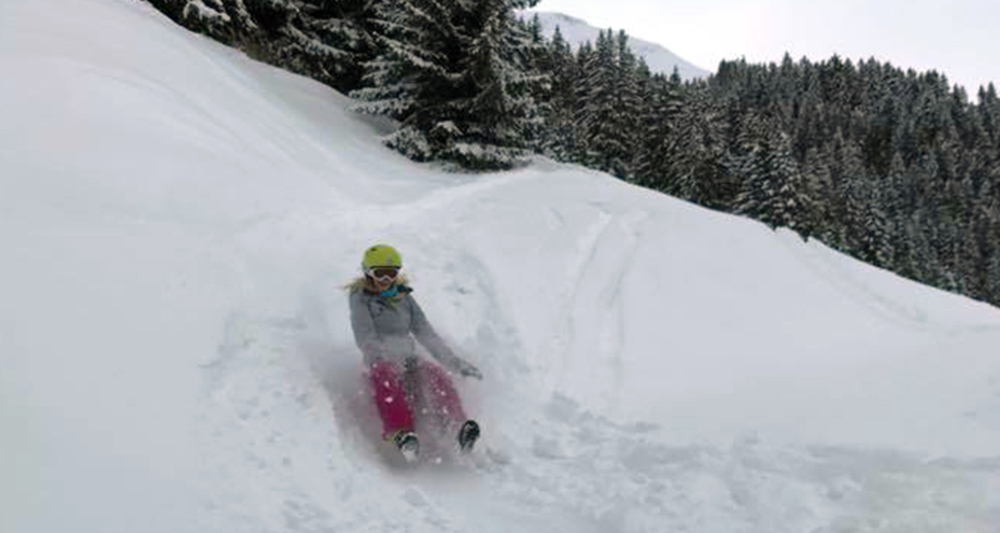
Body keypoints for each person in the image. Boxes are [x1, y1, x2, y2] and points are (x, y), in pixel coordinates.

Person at [347, 243, 482, 460]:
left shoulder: (405, 298)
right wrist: (380, 360)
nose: (386, 280)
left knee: (435, 374)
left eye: (391, 274)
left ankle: (458, 427)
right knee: (385, 378)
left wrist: (455, 363)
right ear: (367, 273)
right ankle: (401, 434)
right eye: (380, 275)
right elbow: (364, 335)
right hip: (380, 363)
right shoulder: (361, 299)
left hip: (408, 361)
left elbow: (425, 332)